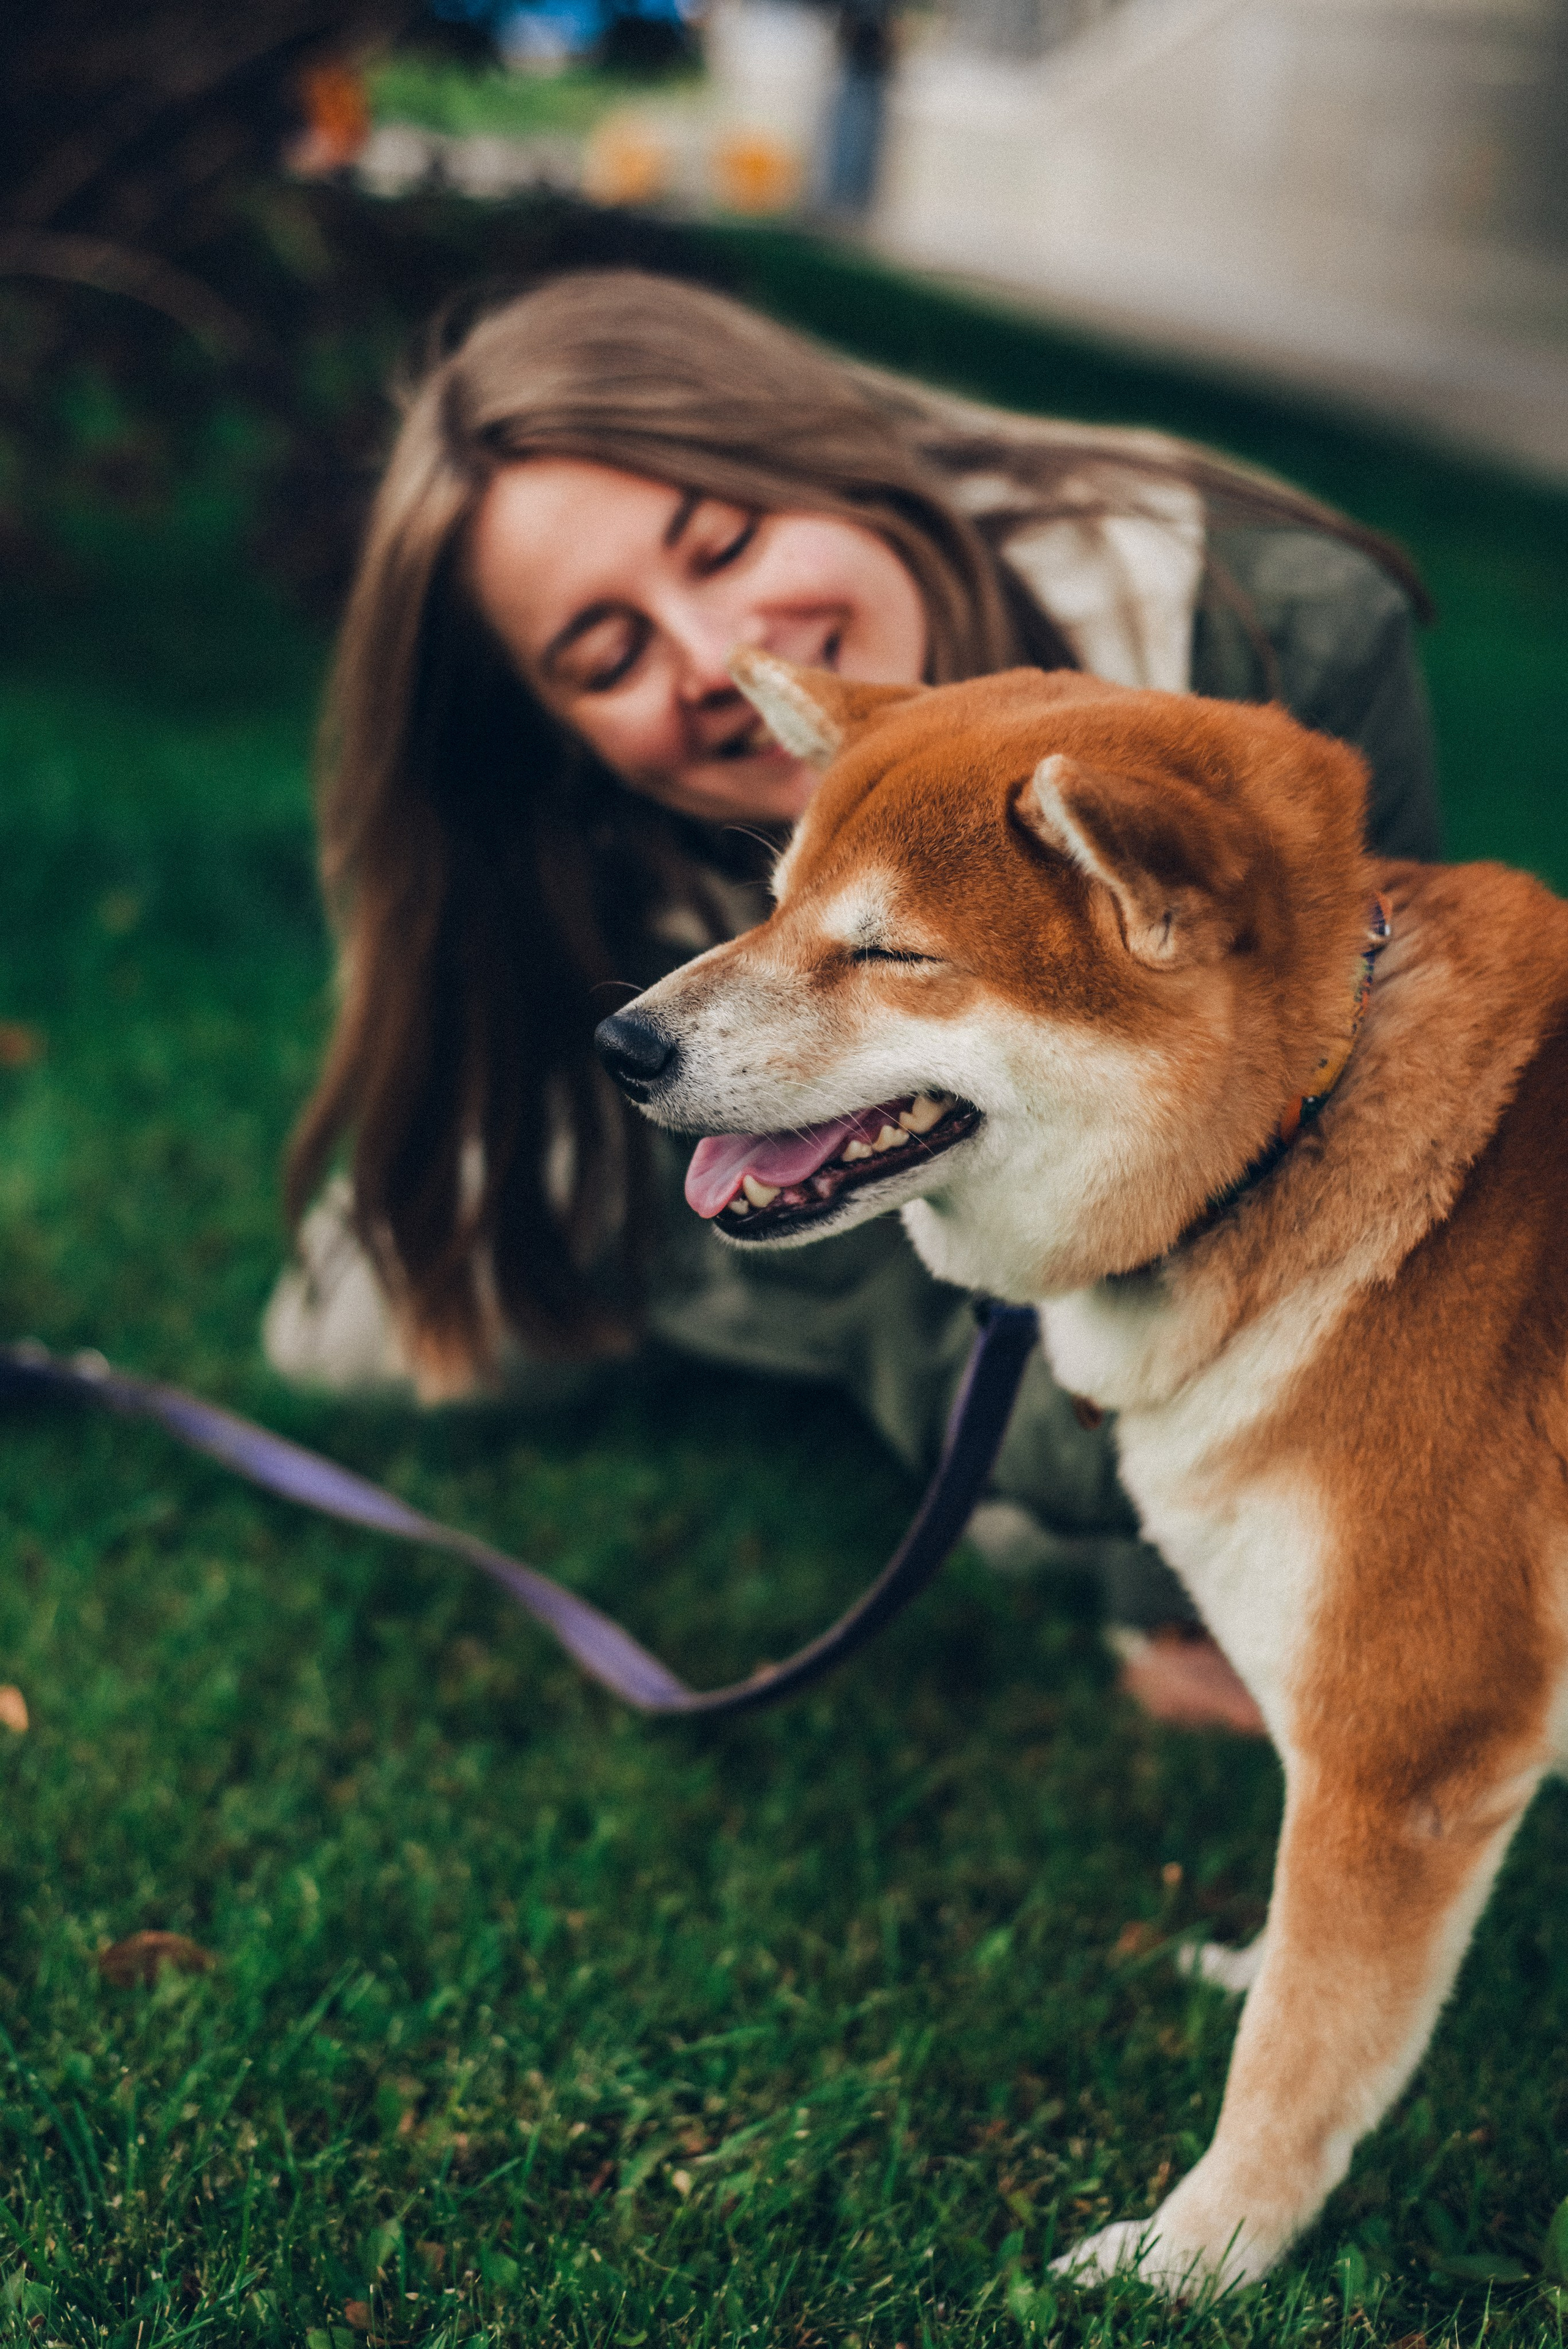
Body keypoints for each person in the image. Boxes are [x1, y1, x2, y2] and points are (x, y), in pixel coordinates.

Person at [264, 267, 1441, 1731]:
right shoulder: (617, 840)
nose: (719, 659)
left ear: (834, 459)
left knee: (1068, 1483)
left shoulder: (1272, 637)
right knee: (367, 1335)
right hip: (671, 1088)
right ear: (556, 740)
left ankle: (860, 1295)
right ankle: (705, 1248)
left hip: (1122, 1157)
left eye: (727, 538)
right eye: (608, 656)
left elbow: (1362, 1165)